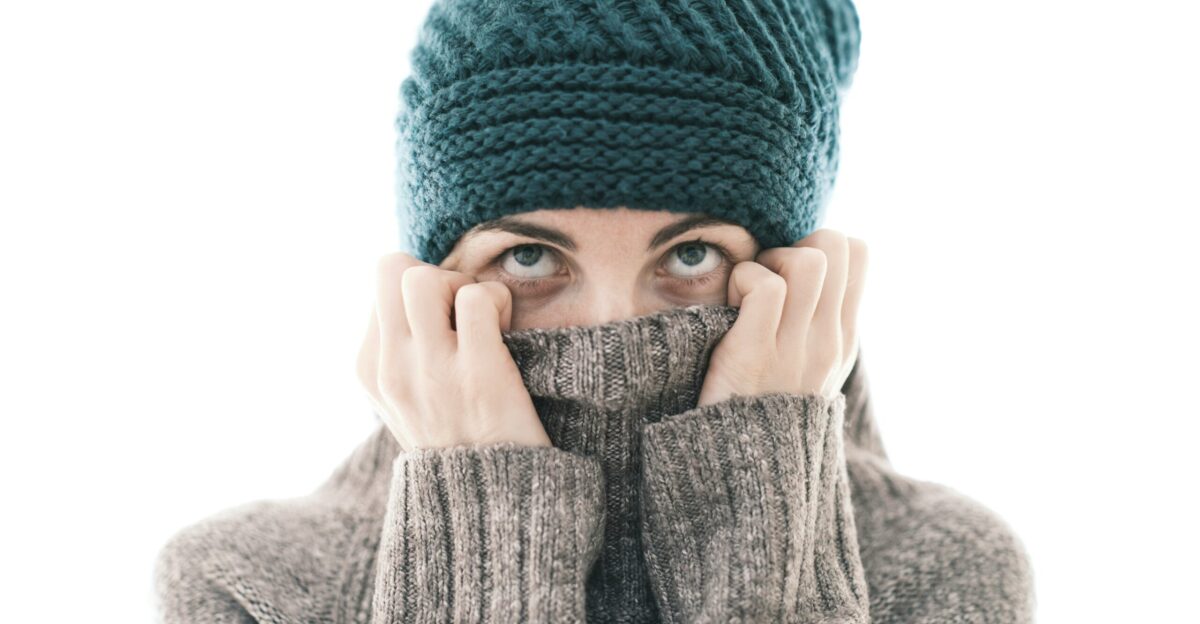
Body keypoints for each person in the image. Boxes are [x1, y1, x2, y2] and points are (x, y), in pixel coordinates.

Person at [153, 1, 1036, 622]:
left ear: (798, 280)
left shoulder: (941, 570)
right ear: (430, 287)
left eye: (690, 256)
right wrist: (483, 526)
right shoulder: (249, 585)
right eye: (530, 258)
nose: (609, 324)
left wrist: (760, 503)